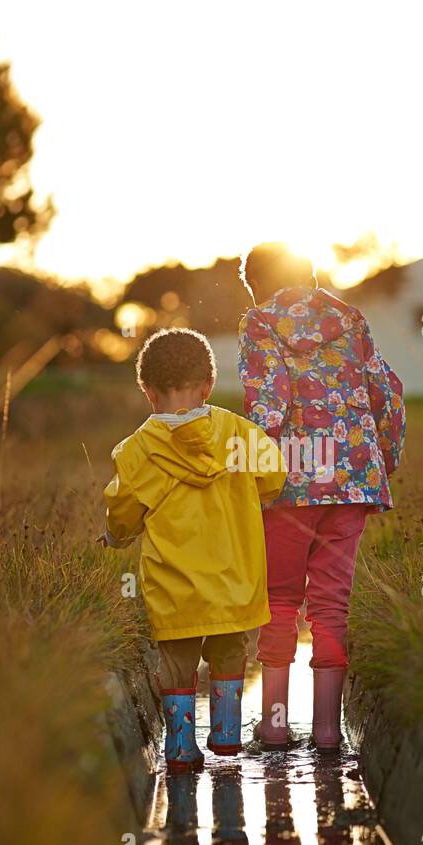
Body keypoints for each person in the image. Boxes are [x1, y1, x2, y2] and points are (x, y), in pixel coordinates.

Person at [237, 244, 405, 749]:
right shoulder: (350, 318)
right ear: (310, 275)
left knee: (280, 600)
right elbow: (388, 392)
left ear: (253, 285)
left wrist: (247, 471)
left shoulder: (259, 322)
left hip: (292, 478)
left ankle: (276, 723)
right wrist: (382, 459)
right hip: (353, 476)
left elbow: (270, 405)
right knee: (332, 603)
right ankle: (329, 731)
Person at [102, 326, 286, 771]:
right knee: (228, 651)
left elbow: (123, 511)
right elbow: (274, 474)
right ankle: (226, 734)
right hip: (233, 580)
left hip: (174, 587)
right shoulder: (238, 434)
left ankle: (180, 747)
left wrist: (115, 536)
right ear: (207, 386)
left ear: (149, 393)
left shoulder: (137, 451)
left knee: (177, 664)